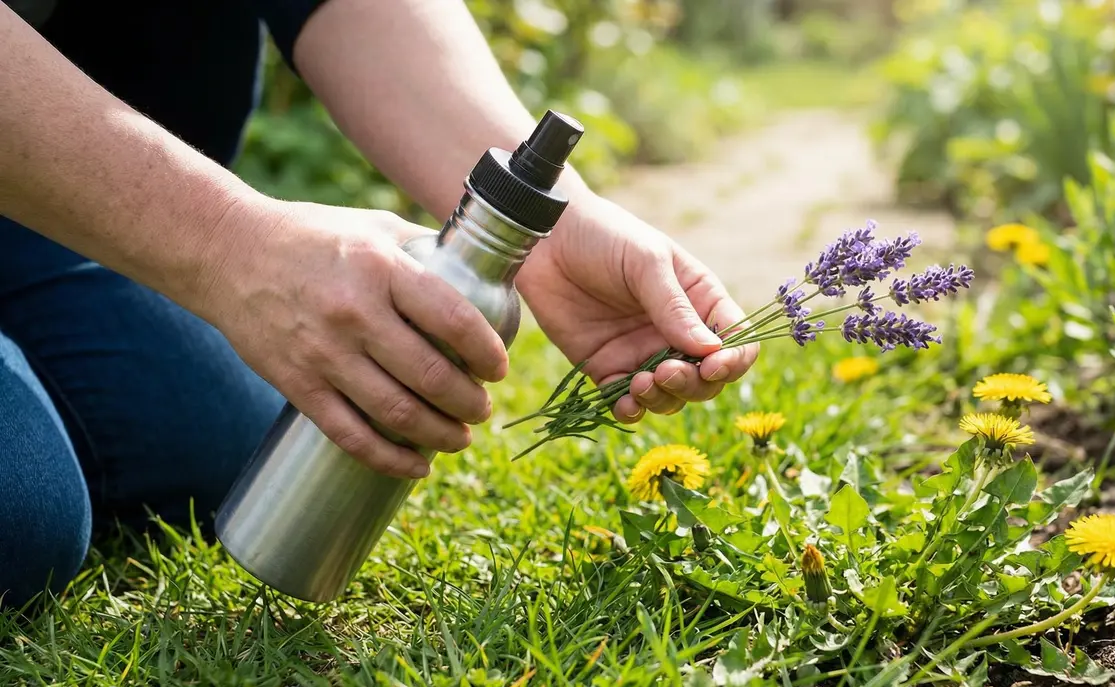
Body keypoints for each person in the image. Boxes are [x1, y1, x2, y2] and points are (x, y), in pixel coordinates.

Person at [0, 0, 759, 607]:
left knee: (220, 434)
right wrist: (231, 244)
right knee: (23, 515)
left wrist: (552, 230)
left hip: (54, 216)